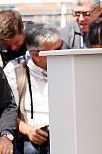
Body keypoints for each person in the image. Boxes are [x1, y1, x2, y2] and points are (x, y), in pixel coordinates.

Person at [4, 26, 62, 154]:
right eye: (56, 51)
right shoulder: (14, 70)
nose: (61, 53)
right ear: (36, 55)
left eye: (61, 48)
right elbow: (6, 111)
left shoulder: (68, 66)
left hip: (64, 132)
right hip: (30, 137)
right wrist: (28, 130)